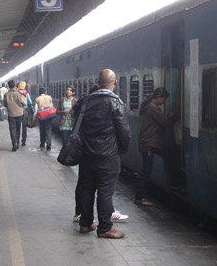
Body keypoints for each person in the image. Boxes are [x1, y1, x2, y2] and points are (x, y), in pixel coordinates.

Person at [72, 69, 130, 239]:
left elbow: (78, 126)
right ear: (115, 83)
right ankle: (105, 228)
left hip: (86, 154)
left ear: (98, 82)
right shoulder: (115, 102)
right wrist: (123, 150)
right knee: (105, 192)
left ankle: (86, 223)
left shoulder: (85, 101)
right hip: (108, 156)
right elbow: (124, 131)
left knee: (87, 190)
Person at [134, 87, 171, 206]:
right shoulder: (153, 108)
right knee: (146, 170)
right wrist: (172, 117)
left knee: (167, 156)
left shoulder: (149, 106)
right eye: (164, 99)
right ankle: (139, 197)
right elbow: (164, 122)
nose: (164, 101)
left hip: (150, 143)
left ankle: (174, 182)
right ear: (159, 97)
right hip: (149, 143)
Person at [3, 80, 27, 151]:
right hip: (19, 114)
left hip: (11, 114)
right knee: (18, 129)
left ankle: (14, 143)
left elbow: (4, 104)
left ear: (8, 86)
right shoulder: (19, 94)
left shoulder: (6, 94)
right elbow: (25, 103)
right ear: (15, 86)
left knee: (12, 129)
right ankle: (18, 142)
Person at [17, 82, 32, 146]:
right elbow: (30, 102)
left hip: (17, 111)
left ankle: (17, 140)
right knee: (24, 127)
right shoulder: (26, 93)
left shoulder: (16, 93)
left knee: (17, 126)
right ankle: (24, 141)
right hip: (24, 111)